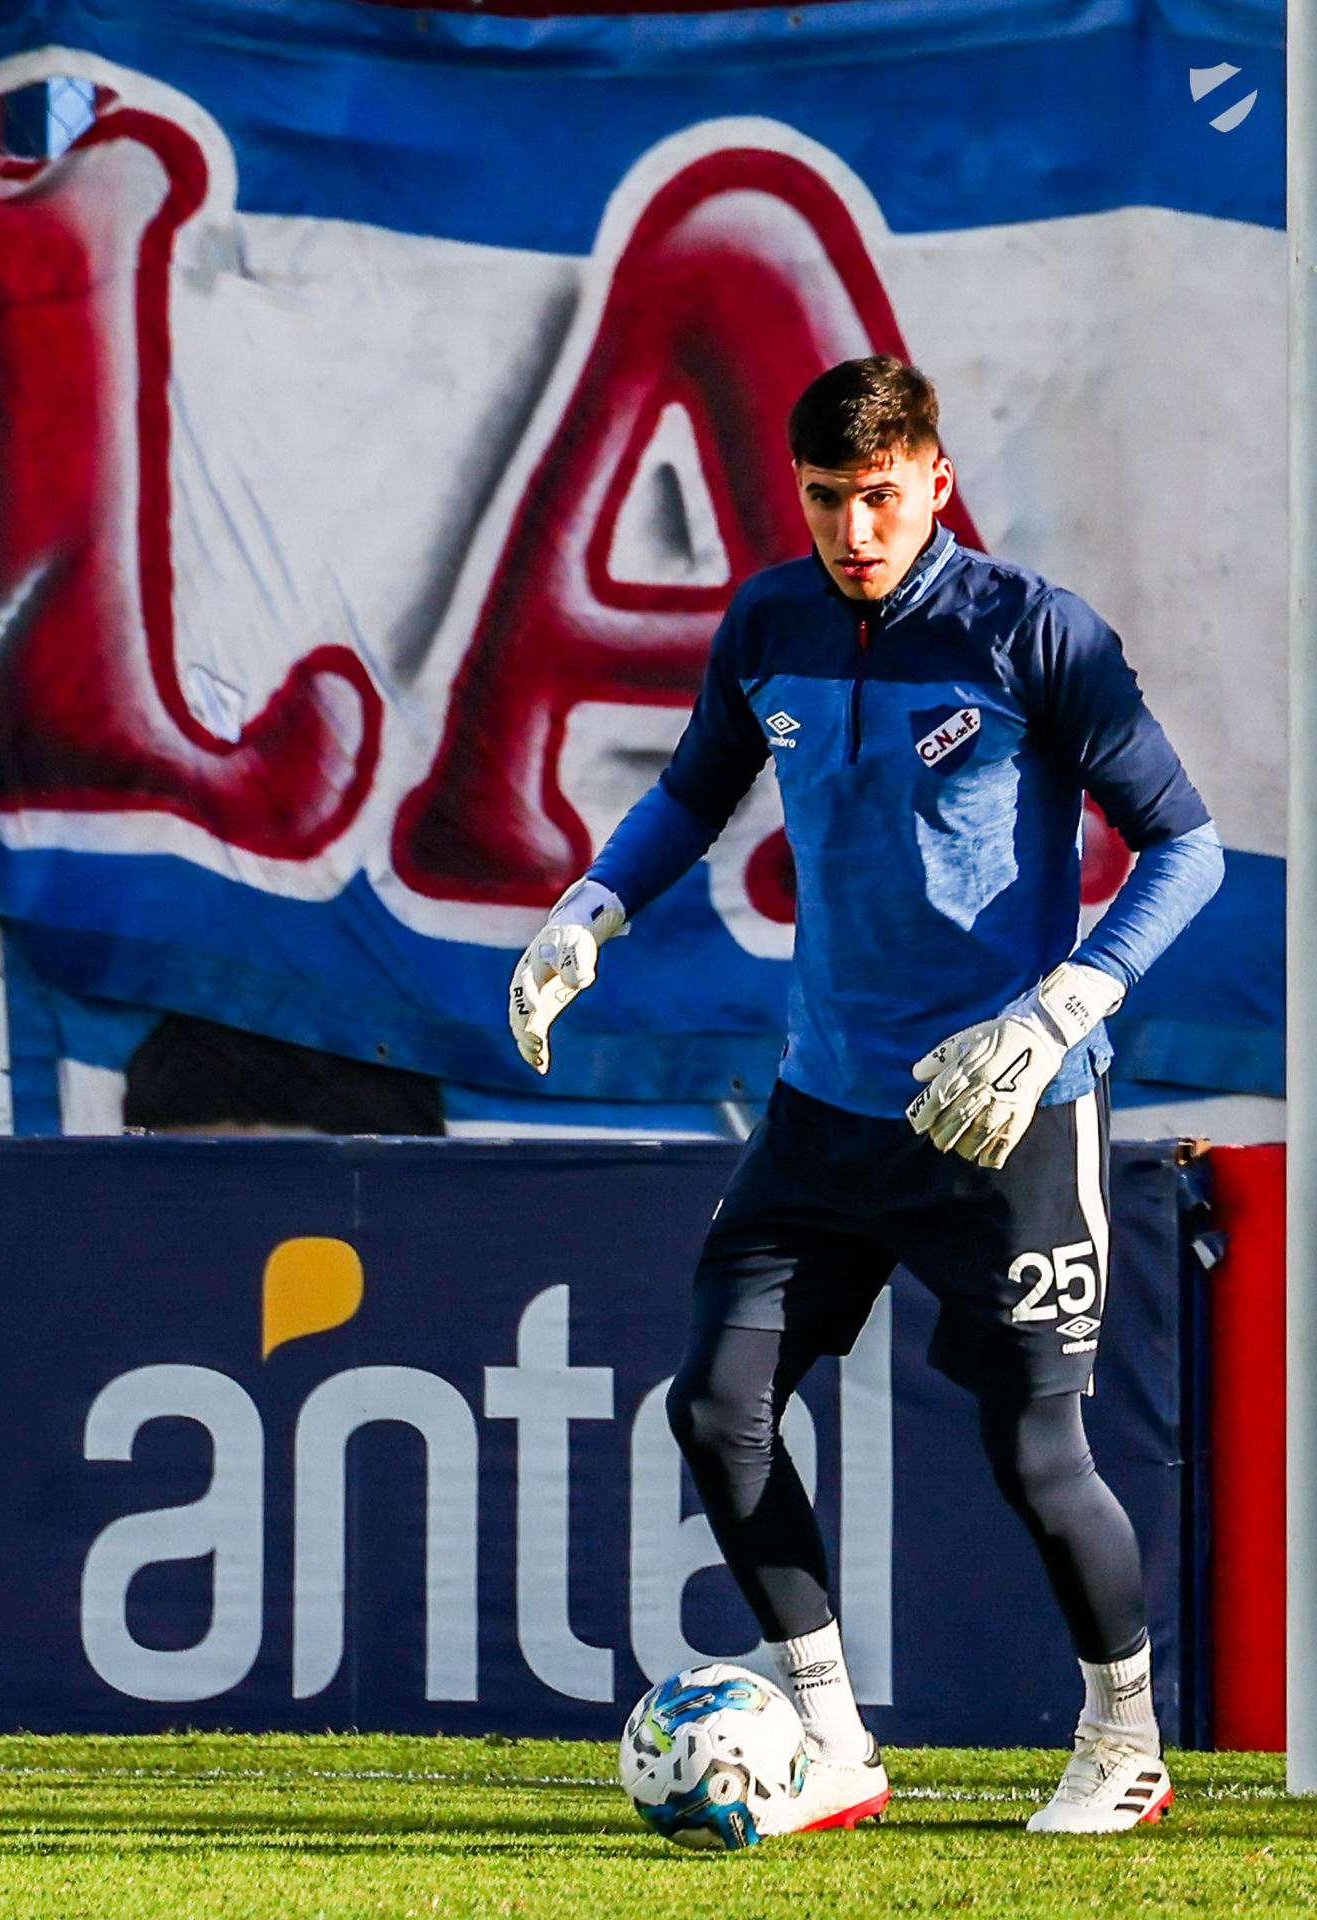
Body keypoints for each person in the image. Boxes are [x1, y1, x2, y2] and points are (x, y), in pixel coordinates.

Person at [507, 356, 1222, 1836]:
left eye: (881, 496)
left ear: (936, 481)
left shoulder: (1034, 632)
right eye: (828, 498)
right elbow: (694, 791)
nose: (854, 528)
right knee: (717, 1408)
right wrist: (590, 904)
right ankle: (831, 1741)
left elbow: (1185, 847)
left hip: (1006, 1112)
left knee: (1035, 1450)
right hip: (824, 1111)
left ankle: (1125, 1747)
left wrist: (1065, 1003)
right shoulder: (768, 622)